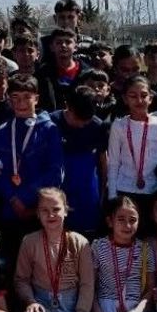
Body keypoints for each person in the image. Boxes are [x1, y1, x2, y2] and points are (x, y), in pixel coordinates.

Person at [14, 188, 94, 312]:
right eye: (44, 210)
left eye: (56, 209)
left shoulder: (80, 243)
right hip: (41, 302)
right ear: (37, 213)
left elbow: (87, 285)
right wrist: (30, 301)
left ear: (66, 210)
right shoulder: (29, 242)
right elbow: (21, 279)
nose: (51, 215)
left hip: (70, 307)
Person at [0, 73, 64, 271]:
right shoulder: (2, 131)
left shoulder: (49, 129)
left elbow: (55, 171)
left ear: (36, 99)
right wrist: (13, 198)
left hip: (38, 209)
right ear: (8, 99)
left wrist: (25, 197)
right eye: (15, 97)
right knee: (11, 266)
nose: (21, 103)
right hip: (10, 209)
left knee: (40, 266)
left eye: (26, 97)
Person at [90, 197, 157, 312]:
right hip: (106, 311)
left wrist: (138, 311)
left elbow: (150, 287)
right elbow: (90, 287)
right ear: (110, 221)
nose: (127, 225)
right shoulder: (98, 247)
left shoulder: (145, 249)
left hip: (135, 309)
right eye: (121, 219)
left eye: (132, 220)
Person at [106, 76, 157, 219]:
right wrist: (112, 195)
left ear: (151, 98)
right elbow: (113, 163)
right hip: (124, 189)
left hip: (153, 190)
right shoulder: (118, 126)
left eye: (144, 95)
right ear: (125, 99)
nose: (139, 100)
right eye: (133, 96)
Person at [53, 87, 110, 238]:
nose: (81, 124)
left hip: (86, 190)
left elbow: (103, 162)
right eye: (78, 119)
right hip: (58, 186)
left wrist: (102, 195)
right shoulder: (52, 122)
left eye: (86, 120)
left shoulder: (98, 126)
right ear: (68, 107)